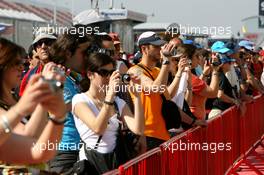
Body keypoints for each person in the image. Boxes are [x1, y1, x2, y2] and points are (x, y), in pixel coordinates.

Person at [128, 31, 206, 150]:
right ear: (144, 49)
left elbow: (170, 102)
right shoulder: (134, 71)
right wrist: (165, 62)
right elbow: (156, 88)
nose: (161, 49)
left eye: (161, 46)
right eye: (156, 47)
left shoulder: (158, 72)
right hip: (146, 136)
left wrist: (193, 121)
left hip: (162, 136)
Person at [0, 38, 66, 173]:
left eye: (22, 62)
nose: (21, 67)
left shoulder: (14, 102)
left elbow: (41, 151)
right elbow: (28, 136)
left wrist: (58, 117)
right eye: (15, 62)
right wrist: (23, 108)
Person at [72, 53, 144, 174]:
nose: (109, 77)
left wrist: (137, 97)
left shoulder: (117, 102)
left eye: (111, 73)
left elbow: (138, 129)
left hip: (115, 163)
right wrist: (110, 95)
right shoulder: (80, 100)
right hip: (92, 165)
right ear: (90, 74)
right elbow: (98, 128)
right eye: (104, 73)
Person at [48, 30, 93, 174]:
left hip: (81, 149)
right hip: (65, 151)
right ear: (68, 53)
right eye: (84, 52)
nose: (88, 57)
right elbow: (57, 110)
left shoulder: (76, 77)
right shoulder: (54, 75)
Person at [175, 44, 220, 120]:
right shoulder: (189, 76)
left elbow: (198, 88)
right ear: (188, 59)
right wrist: (215, 71)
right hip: (194, 121)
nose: (199, 58)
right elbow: (213, 93)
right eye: (196, 56)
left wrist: (204, 74)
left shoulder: (185, 74)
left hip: (193, 119)